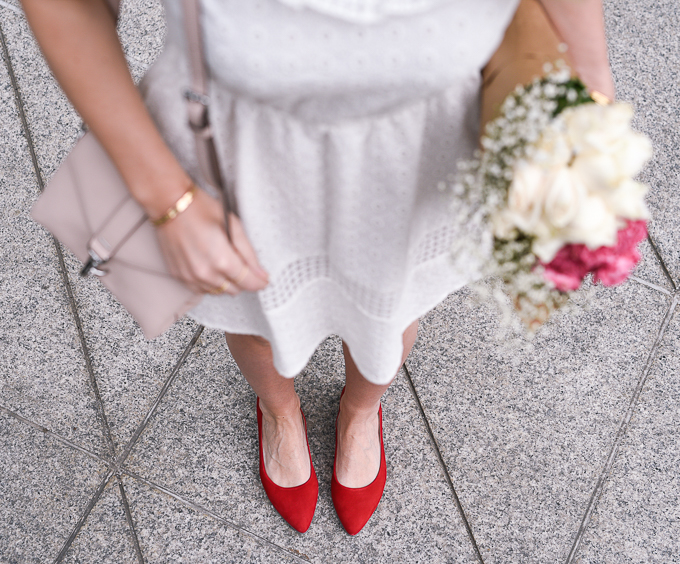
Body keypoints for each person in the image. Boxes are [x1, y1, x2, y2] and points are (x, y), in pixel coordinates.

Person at [23, 0, 615, 535]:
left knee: (389, 309)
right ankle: (280, 412)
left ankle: (360, 412)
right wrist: (166, 200)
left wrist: (590, 104)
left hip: (419, 143)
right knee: (254, 313)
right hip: (241, 144)